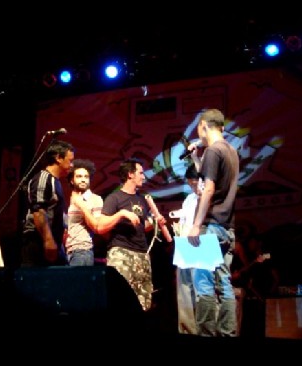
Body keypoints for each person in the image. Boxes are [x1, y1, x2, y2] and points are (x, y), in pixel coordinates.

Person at [186, 108, 239, 337]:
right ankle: (228, 333)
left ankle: (206, 334)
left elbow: (208, 189)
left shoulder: (213, 150)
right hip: (227, 227)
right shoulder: (230, 151)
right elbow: (213, 179)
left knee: (204, 285)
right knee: (224, 283)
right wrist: (196, 159)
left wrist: (196, 225)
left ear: (203, 126)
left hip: (211, 227)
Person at [97, 157, 165, 312]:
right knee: (121, 299)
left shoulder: (141, 199)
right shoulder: (114, 198)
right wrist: (121, 214)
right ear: (130, 174)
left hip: (142, 254)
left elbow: (141, 226)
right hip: (122, 253)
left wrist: (154, 222)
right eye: (140, 173)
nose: (143, 176)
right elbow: (101, 227)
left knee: (144, 302)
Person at [21, 140, 75, 267]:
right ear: (58, 158)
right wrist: (48, 240)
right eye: (70, 160)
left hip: (51, 242)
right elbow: (39, 211)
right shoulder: (43, 178)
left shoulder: (55, 181)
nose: (72, 165)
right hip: (38, 241)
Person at [170, 163, 202, 334]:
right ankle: (187, 329)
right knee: (183, 290)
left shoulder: (211, 197)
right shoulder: (189, 199)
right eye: (190, 184)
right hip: (184, 245)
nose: (192, 187)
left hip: (201, 245)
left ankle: (204, 328)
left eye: (194, 184)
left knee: (201, 290)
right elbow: (183, 220)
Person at [65, 158, 103, 266]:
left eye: (86, 177)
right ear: (72, 180)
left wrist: (82, 206)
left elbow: (97, 226)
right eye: (79, 176)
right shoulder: (71, 199)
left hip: (82, 251)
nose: (83, 180)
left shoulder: (95, 199)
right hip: (69, 251)